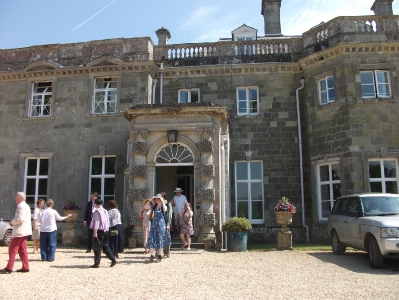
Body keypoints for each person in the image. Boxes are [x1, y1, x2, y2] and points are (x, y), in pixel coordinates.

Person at [0, 192, 32, 274]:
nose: (15, 198)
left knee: (12, 248)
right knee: (22, 249)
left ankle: (9, 267)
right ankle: (25, 267)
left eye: (16, 196)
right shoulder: (25, 206)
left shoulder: (21, 206)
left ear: (20, 198)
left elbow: (20, 219)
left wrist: (12, 222)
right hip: (23, 230)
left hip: (20, 231)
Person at [90, 198, 116, 268]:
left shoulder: (97, 211)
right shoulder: (105, 211)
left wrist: (95, 232)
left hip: (100, 230)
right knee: (105, 245)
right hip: (106, 230)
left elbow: (97, 222)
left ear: (95, 204)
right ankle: (112, 259)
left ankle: (97, 263)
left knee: (97, 247)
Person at [145, 194, 169, 263]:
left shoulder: (162, 206)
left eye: (158, 199)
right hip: (154, 225)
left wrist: (162, 201)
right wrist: (150, 199)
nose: (157, 200)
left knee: (160, 240)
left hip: (161, 225)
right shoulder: (154, 206)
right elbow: (145, 207)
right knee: (152, 239)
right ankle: (152, 256)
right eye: (156, 199)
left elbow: (165, 209)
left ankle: (159, 256)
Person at [161, 192, 173, 258]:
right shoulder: (157, 204)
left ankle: (166, 253)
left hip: (165, 223)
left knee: (166, 238)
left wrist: (168, 224)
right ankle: (159, 252)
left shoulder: (168, 204)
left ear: (163, 197)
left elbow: (170, 215)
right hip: (159, 224)